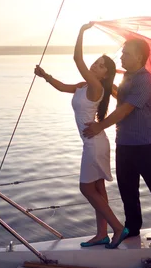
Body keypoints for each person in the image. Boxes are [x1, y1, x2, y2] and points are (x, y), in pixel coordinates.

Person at [83, 37, 151, 254]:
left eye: (126, 53)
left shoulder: (145, 81)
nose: (121, 56)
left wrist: (99, 126)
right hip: (125, 145)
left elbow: (124, 109)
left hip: (145, 146)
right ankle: (133, 228)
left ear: (139, 56)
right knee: (127, 191)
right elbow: (119, 96)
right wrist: (101, 80)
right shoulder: (128, 78)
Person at [34, 22, 128, 249]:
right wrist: (45, 75)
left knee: (86, 189)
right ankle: (101, 234)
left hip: (94, 143)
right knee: (97, 189)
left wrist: (80, 32)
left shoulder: (97, 87)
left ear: (106, 74)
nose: (95, 65)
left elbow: (77, 60)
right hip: (94, 142)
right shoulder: (84, 85)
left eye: (101, 65)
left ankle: (117, 228)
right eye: (96, 62)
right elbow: (62, 87)